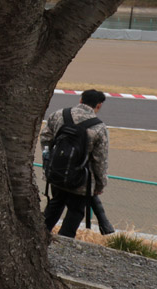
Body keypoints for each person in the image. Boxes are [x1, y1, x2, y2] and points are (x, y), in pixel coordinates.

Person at [41, 89, 110, 237]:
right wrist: (100, 185)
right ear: (99, 105)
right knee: (75, 212)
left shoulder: (59, 115)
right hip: (81, 180)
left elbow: (45, 139)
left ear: (80, 100)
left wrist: (48, 164)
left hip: (57, 174)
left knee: (55, 204)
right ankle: (64, 244)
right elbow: (100, 161)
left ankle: (38, 236)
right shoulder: (99, 127)